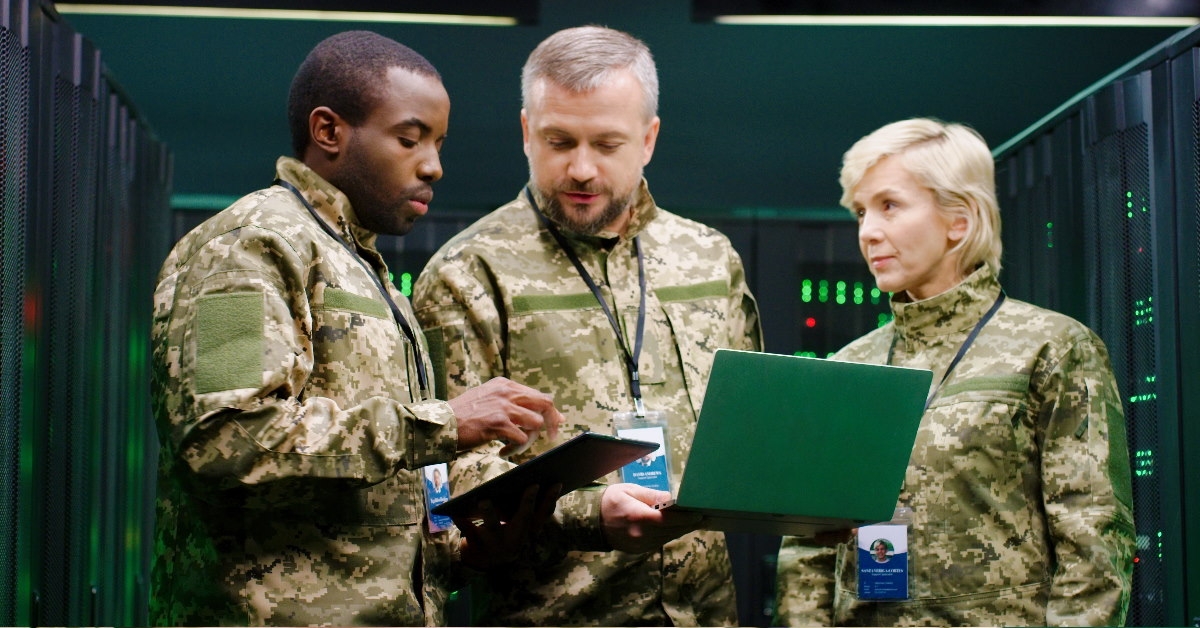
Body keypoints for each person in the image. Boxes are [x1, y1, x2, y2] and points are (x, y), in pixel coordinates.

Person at [149, 30, 564, 626]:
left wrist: (458, 554)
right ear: (328, 132)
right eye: (409, 139)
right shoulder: (248, 247)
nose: (434, 166)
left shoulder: (359, 264)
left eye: (439, 144)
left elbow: (369, 496)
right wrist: (447, 421)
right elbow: (228, 441)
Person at [413, 25, 763, 626]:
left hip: (706, 611)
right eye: (559, 141)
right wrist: (587, 514)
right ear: (526, 132)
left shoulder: (709, 259)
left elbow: (749, 429)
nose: (580, 168)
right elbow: (447, 472)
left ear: (648, 139)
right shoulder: (467, 273)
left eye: (606, 144)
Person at [774, 118, 1135, 626]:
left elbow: (1093, 541)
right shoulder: (850, 364)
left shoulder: (1051, 348)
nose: (868, 231)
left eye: (890, 205)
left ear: (959, 220)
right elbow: (807, 548)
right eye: (860, 212)